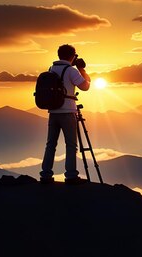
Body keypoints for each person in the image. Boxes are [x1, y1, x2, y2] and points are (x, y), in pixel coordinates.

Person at [40, 44, 91, 185]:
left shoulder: (51, 69)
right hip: (68, 111)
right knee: (71, 145)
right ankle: (71, 175)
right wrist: (81, 69)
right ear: (72, 56)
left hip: (53, 111)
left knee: (50, 144)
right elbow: (85, 86)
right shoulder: (71, 70)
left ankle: (45, 175)